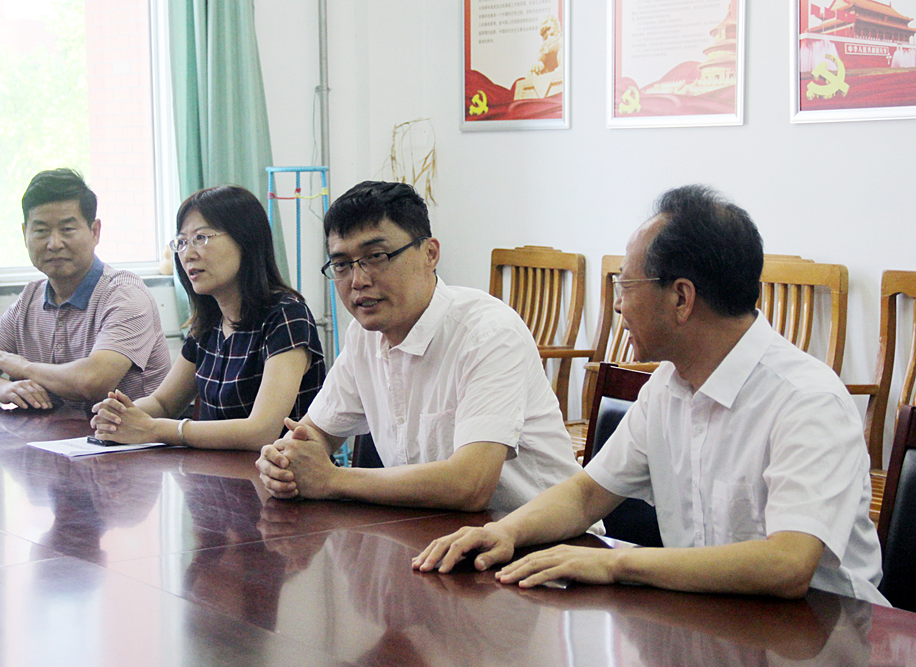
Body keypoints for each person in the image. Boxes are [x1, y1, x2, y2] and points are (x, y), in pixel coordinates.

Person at [413, 184, 888, 605]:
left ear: (681, 298)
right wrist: (503, 532)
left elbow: (787, 564)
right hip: (709, 615)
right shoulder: (667, 386)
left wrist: (616, 564)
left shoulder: (806, 400)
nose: (618, 305)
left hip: (825, 632)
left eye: (625, 285)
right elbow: (585, 495)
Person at [255, 181, 580, 512]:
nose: (358, 280)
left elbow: (471, 484)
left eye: (376, 257)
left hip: (545, 536)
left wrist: (331, 479)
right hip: (430, 529)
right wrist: (283, 461)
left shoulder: (488, 334)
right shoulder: (363, 335)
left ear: (430, 254)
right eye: (341, 264)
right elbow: (315, 433)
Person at [90, 185, 325, 450]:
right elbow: (164, 403)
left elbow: (262, 431)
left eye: (201, 238)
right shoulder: (209, 322)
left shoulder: (287, 315)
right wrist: (119, 416)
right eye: (182, 242)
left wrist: (156, 429)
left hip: (279, 471)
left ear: (245, 240)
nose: (188, 254)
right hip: (215, 471)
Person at [0, 168, 171, 409]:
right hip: (56, 431)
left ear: (95, 232)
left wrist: (24, 368)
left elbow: (93, 381)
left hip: (132, 433)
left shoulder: (125, 294)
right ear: (25, 234)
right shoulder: (30, 299)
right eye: (41, 231)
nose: (54, 244)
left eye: (67, 229)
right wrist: (0, 387)